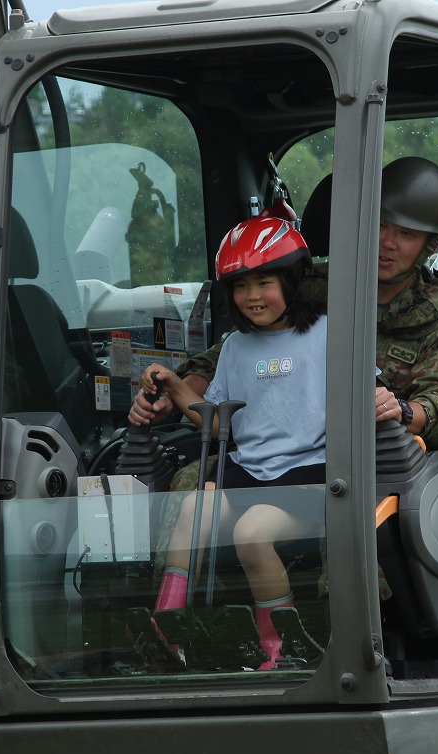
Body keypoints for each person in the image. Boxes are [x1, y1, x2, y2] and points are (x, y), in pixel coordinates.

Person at [131, 156, 438, 448]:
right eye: (379, 225)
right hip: (271, 441)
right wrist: (171, 398)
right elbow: (230, 356)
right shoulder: (309, 287)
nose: (387, 242)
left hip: (372, 458)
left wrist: (402, 410)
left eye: (405, 234)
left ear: (433, 243)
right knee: (188, 488)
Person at [137, 215, 325, 669]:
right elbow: (217, 426)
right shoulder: (236, 347)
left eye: (265, 282)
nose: (253, 296)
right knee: (193, 508)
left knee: (251, 531)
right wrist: (173, 385)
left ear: (294, 280)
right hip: (252, 470)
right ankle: (169, 629)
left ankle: (280, 649)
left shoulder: (328, 334)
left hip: (311, 475)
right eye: (241, 287)